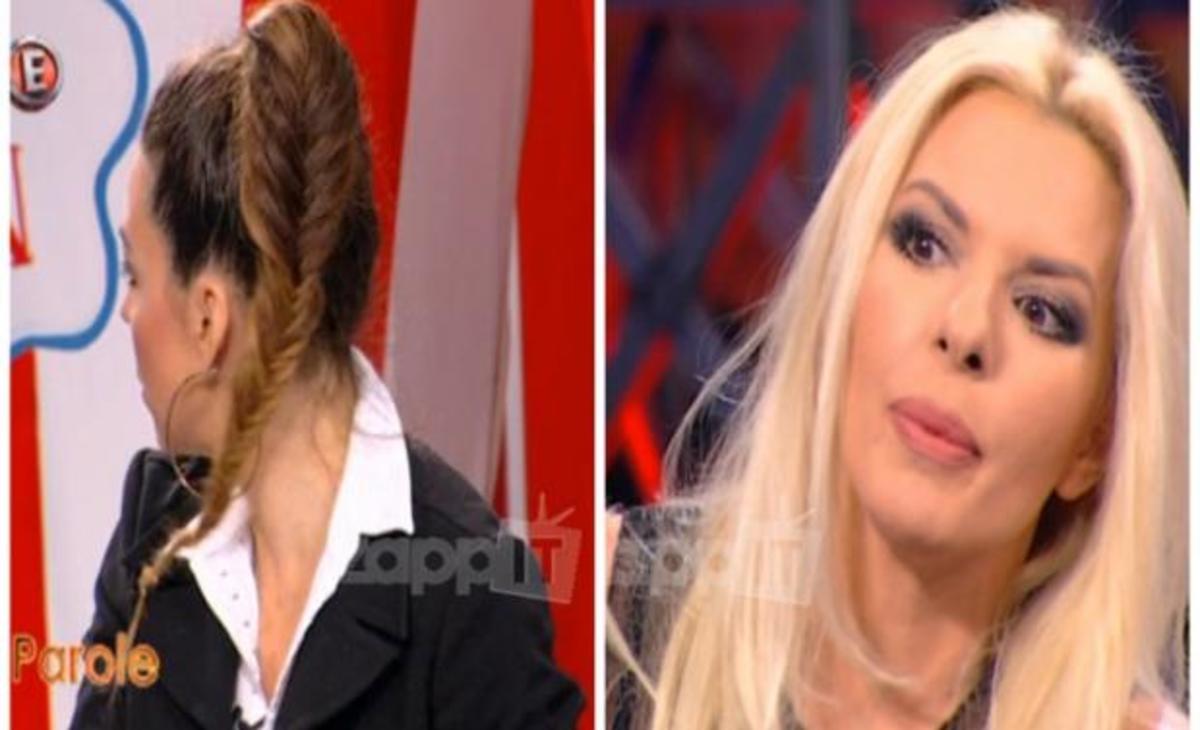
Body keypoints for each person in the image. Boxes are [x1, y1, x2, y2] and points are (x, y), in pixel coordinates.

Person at [607, 8, 1187, 730]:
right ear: (842, 282)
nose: (965, 331)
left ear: (1096, 442)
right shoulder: (593, 608)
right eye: (924, 244)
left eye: (1041, 311)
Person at [71, 2, 582, 727]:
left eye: (135, 275)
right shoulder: (151, 534)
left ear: (209, 315)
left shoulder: (474, 590)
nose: (126, 312)